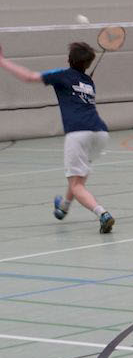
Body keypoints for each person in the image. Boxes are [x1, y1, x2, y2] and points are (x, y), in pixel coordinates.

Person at [0, 40, 114, 233]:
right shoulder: (89, 82)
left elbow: (29, 77)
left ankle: (102, 213)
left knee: (77, 185)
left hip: (78, 133)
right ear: (87, 63)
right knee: (77, 178)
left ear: (69, 59)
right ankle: (63, 208)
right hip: (100, 134)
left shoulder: (62, 75)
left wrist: (2, 61)